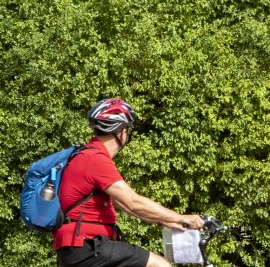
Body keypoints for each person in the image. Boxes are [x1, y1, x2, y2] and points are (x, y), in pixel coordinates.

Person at [53, 97, 205, 267]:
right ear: (122, 132)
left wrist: (169, 221)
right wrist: (183, 217)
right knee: (160, 265)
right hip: (88, 247)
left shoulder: (88, 155)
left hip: (79, 249)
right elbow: (134, 202)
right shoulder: (95, 159)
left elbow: (124, 205)